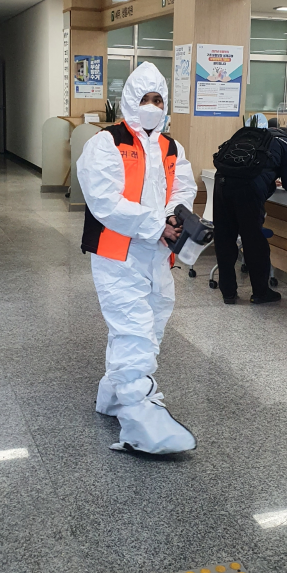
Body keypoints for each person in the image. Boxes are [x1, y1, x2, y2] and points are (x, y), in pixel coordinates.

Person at [77, 62, 197, 455]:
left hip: (157, 255)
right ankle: (141, 423)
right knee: (133, 330)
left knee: (152, 325)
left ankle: (114, 396)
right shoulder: (106, 143)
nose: (152, 106)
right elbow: (104, 201)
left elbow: (182, 189)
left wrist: (175, 217)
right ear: (130, 100)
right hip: (118, 254)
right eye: (145, 99)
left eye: (158, 99)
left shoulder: (171, 147)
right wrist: (155, 223)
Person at [213, 112, 287, 306]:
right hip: (247, 189)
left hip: (221, 183)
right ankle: (260, 293)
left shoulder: (247, 136)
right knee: (253, 240)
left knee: (224, 238)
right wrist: (274, 177)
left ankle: (228, 292)